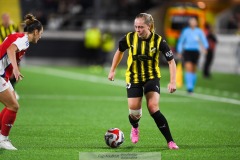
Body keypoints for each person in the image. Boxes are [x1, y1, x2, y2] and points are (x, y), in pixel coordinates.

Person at [108, 13, 179, 150]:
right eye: (136, 27)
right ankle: (135, 127)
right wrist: (112, 70)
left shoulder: (159, 41)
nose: (138, 30)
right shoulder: (129, 38)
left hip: (151, 77)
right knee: (134, 114)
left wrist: (173, 81)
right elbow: (119, 51)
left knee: (153, 107)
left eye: (141, 27)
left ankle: (170, 141)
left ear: (150, 26)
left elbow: (171, 62)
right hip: (133, 78)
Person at [0, 13, 43, 150]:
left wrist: (11, 69)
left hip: (3, 75)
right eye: (40, 34)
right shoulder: (23, 40)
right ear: (35, 32)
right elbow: (10, 49)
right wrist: (16, 70)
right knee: (14, 106)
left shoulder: (18, 36)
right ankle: (3, 139)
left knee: (11, 104)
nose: (40, 37)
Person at [176, 17, 208, 93]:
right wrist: (179, 51)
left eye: (194, 21)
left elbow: (204, 40)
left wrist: (205, 48)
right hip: (187, 51)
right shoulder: (186, 31)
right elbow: (181, 41)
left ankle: (192, 86)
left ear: (196, 23)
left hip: (196, 52)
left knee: (193, 69)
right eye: (191, 21)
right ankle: (189, 87)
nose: (193, 23)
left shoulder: (199, 31)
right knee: (188, 67)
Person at [0, 13, 20, 99]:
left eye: (7, 18)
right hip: (2, 54)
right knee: (3, 73)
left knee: (14, 72)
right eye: (4, 18)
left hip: (12, 53)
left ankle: (12, 90)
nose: (6, 19)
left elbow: (18, 38)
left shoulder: (14, 27)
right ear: (2, 19)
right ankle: (6, 91)